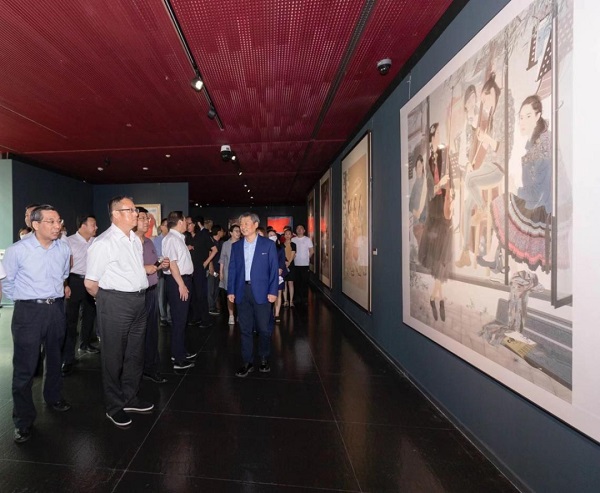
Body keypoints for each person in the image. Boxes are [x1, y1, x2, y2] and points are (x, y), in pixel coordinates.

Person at [2, 204, 72, 443]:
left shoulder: (63, 248)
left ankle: (54, 397)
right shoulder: (17, 250)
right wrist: (26, 300)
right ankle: (23, 420)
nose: (57, 226)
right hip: (29, 312)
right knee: (25, 367)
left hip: (56, 309)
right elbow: (8, 282)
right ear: (35, 224)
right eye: (51, 221)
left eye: (58, 221)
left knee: (55, 357)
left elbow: (64, 275)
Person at [85, 196, 153, 428]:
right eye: (130, 210)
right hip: (115, 303)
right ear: (116, 214)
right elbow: (90, 283)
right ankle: (114, 406)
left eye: (135, 210)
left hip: (138, 301)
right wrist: (107, 301)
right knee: (113, 358)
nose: (136, 214)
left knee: (135, 355)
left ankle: (130, 398)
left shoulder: (134, 239)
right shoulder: (103, 243)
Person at [483, 95, 552, 272]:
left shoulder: (542, 144)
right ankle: (500, 262)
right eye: (521, 117)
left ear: (538, 116)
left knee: (503, 205)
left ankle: (499, 261)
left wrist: (516, 190)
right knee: (503, 205)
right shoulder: (534, 142)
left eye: (528, 116)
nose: (522, 122)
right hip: (535, 202)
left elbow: (540, 192)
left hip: (540, 209)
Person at [455, 74, 509, 268]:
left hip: (490, 168)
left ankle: (483, 210)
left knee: (471, 183)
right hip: (479, 167)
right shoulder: (474, 122)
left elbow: (495, 147)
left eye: (475, 99)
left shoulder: (491, 116)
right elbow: (472, 151)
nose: (474, 102)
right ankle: (465, 252)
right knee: (466, 207)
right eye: (470, 100)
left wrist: (484, 139)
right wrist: (469, 164)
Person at [228, 212, 279, 377]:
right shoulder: (236, 246)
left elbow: (273, 270)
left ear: (256, 225)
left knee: (264, 328)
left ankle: (264, 357)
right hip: (242, 291)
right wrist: (231, 290)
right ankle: (247, 361)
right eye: (241, 224)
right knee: (245, 329)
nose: (243, 227)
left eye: (246, 224)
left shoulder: (268, 245)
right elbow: (232, 269)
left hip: (262, 292)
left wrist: (273, 291)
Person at [417, 123, 453, 322]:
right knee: (439, 254)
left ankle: (434, 297)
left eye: (440, 133)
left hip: (445, 206)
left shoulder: (444, 153)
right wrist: (441, 183)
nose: (438, 136)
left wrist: (450, 189)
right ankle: (439, 298)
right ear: (431, 137)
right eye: (436, 133)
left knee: (444, 253)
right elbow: (430, 189)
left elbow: (452, 180)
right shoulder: (429, 159)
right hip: (435, 208)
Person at [135, 207, 170, 384]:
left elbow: (153, 265)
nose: (146, 222)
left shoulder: (149, 242)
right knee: (136, 335)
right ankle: (135, 372)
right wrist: (145, 269)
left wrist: (160, 265)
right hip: (135, 294)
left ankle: (151, 368)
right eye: (142, 218)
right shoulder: (128, 243)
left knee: (152, 333)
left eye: (147, 219)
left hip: (151, 291)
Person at [62, 214, 99, 377]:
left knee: (90, 316)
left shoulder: (96, 242)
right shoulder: (68, 241)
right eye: (93, 224)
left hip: (91, 281)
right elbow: (64, 265)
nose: (96, 227)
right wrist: (65, 285)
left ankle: (85, 344)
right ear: (83, 226)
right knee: (71, 321)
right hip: (74, 281)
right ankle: (68, 358)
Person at [162, 211, 197, 370]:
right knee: (179, 320)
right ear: (180, 222)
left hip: (182, 280)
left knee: (182, 319)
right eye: (186, 221)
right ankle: (178, 358)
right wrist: (181, 285)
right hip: (178, 281)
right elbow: (173, 264)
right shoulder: (171, 239)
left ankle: (180, 350)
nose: (187, 224)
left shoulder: (178, 238)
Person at [219, 223, 241, 325]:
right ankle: (231, 315)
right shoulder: (226, 244)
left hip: (240, 273)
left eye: (239, 231)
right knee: (230, 294)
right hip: (228, 272)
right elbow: (222, 259)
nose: (238, 233)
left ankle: (240, 314)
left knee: (240, 294)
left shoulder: (243, 243)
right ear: (231, 233)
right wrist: (221, 272)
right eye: (236, 231)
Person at [153, 218, 172, 326]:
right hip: (161, 269)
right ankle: (163, 317)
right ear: (161, 227)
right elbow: (159, 255)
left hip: (171, 269)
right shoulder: (157, 240)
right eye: (165, 225)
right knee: (161, 294)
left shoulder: (171, 239)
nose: (167, 227)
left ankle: (169, 316)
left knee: (169, 294)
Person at [268, 229, 288, 323]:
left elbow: (282, 260)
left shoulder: (280, 248)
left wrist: (280, 268)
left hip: (279, 273)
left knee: (278, 293)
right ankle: (268, 313)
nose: (272, 236)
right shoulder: (265, 247)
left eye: (273, 235)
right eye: (270, 235)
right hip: (267, 274)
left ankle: (277, 314)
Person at [291, 224, 313, 305]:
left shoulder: (307, 239)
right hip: (295, 264)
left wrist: (306, 258)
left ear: (304, 230)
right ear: (296, 230)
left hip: (304, 264)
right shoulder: (293, 239)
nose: (299, 229)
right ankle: (297, 298)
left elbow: (311, 251)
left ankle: (304, 299)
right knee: (296, 282)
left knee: (304, 282)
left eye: (301, 228)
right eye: (298, 228)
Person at [208, 225, 225, 315]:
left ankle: (214, 306)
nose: (223, 233)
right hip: (212, 268)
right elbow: (209, 255)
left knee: (216, 288)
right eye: (222, 231)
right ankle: (211, 307)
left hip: (219, 269)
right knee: (211, 288)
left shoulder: (221, 243)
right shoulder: (210, 242)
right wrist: (211, 267)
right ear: (218, 232)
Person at [282, 226, 297, 307]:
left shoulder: (293, 244)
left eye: (289, 234)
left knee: (291, 283)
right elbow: (281, 255)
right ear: (284, 235)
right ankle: (285, 301)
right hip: (283, 265)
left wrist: (289, 262)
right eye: (286, 234)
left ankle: (291, 301)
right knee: (284, 283)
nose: (287, 235)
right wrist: (285, 262)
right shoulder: (281, 245)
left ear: (291, 235)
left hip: (291, 265)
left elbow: (293, 254)